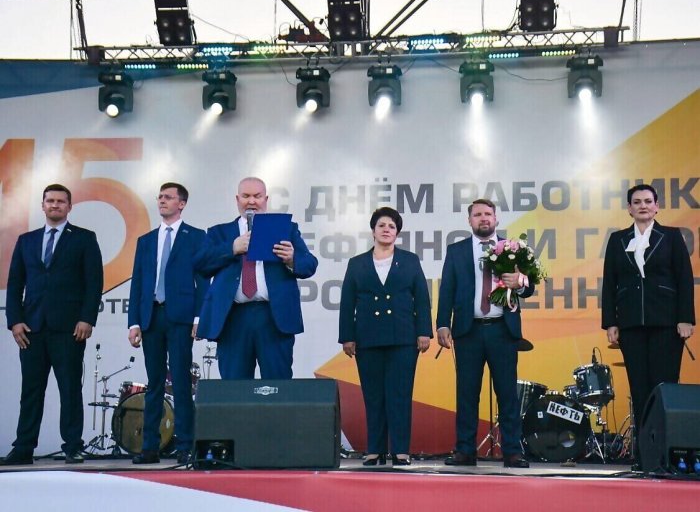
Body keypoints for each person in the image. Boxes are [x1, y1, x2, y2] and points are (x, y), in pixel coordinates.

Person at [1, 184, 103, 466]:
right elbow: (15, 284)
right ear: (43, 205)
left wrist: (87, 318)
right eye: (50, 201)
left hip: (69, 329)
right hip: (31, 329)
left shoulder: (84, 238)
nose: (55, 205)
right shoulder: (27, 240)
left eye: (60, 201)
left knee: (70, 390)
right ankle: (23, 448)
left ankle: (72, 446)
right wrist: (15, 321)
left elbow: (94, 282)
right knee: (31, 391)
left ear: (69, 206)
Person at [436, 198, 533, 468]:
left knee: (507, 394)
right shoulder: (456, 251)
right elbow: (447, 289)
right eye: (477, 214)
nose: (483, 218)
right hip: (468, 331)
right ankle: (465, 450)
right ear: (469, 220)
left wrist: (520, 282)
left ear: (496, 218)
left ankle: (512, 451)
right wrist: (442, 324)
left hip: (503, 329)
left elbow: (529, 287)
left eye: (488, 213)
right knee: (467, 393)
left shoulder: (513, 249)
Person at [602, 183, 695, 461]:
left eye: (647, 201)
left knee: (664, 387)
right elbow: (609, 283)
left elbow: (684, 279)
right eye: (637, 202)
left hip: (666, 323)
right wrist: (610, 322)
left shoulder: (671, 236)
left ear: (656, 206)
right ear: (629, 209)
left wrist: (685, 318)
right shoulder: (618, 240)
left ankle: (665, 453)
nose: (642, 206)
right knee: (639, 389)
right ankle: (644, 455)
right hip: (631, 324)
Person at [195, 177, 318, 379]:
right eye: (246, 196)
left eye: (257, 196)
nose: (251, 201)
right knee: (234, 387)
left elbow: (310, 265)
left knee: (277, 385)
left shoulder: (285, 229)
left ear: (266, 199)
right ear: (237, 199)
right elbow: (201, 265)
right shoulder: (220, 233)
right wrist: (232, 248)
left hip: (274, 317)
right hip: (233, 318)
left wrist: (292, 258)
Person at [339, 207, 432, 467]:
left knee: (399, 395)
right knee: (373, 396)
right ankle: (375, 450)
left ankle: (400, 450)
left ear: (397, 232)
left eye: (391, 226)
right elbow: (347, 302)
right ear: (373, 230)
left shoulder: (410, 260)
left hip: (403, 337)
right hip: (367, 337)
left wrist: (424, 331)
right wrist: (347, 336)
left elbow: (422, 298)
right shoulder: (357, 263)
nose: (386, 230)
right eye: (381, 225)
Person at [127, 183, 209, 465]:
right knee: (154, 383)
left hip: (181, 318)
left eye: (168, 197)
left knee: (181, 381)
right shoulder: (146, 240)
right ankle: (150, 447)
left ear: (181, 203)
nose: (162, 201)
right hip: (151, 316)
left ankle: (185, 445)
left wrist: (198, 317)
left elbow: (203, 280)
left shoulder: (196, 237)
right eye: (160, 196)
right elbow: (138, 283)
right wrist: (134, 322)